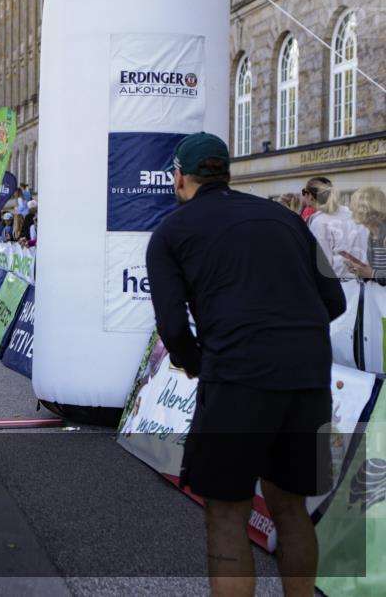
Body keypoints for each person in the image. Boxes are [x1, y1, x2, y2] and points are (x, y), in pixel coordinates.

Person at [145, 132, 346, 597]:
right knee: (291, 509)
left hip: (238, 378)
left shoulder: (171, 232)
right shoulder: (287, 219)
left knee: (226, 513)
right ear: (227, 173)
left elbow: (172, 326)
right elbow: (334, 301)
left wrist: (198, 363)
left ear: (179, 178)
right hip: (308, 376)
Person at [304, 177, 367, 278]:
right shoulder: (351, 214)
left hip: (340, 283)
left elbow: (322, 266)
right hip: (363, 282)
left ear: (310, 196)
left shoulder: (320, 222)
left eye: (304, 192)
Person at [342, 185, 386, 285]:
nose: (351, 211)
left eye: (354, 208)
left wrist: (371, 273)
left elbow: (374, 273)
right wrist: (361, 271)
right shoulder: (373, 234)